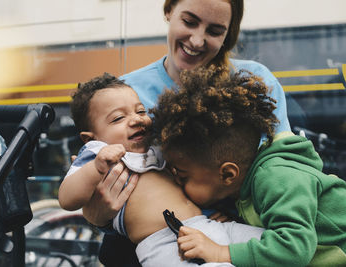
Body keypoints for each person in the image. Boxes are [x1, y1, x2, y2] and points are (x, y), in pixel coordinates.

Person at [81, 0, 293, 265]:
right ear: (169, 11)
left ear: (228, 35)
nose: (197, 40)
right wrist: (97, 216)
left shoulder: (257, 83)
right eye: (190, 22)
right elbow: (98, 181)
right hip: (147, 244)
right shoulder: (126, 95)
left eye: (214, 31)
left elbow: (283, 169)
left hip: (231, 238)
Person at [150, 65, 346, 266]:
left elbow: (294, 249)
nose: (175, 181)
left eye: (183, 176)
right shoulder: (248, 183)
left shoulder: (276, 178)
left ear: (228, 174)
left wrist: (222, 252)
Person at [58, 73, 266, 267]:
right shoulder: (96, 153)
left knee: (269, 242)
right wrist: (94, 168)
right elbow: (67, 199)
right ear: (90, 137)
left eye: (140, 111)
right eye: (118, 118)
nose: (136, 119)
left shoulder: (155, 146)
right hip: (165, 244)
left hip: (207, 226)